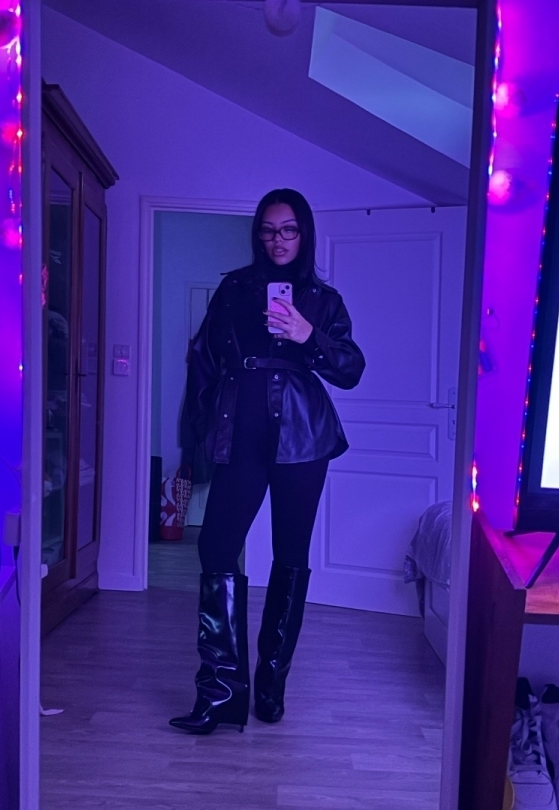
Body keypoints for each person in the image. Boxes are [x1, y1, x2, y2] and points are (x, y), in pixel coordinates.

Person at [169, 189, 366, 734]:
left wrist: (307, 334)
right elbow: (203, 361)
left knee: (291, 554)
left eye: (288, 230)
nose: (277, 240)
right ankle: (221, 692)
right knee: (215, 546)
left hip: (304, 439)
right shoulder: (234, 289)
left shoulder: (323, 300)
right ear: (258, 234)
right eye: (268, 229)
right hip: (241, 435)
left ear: (304, 234)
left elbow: (351, 369)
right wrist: (196, 439)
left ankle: (272, 682)